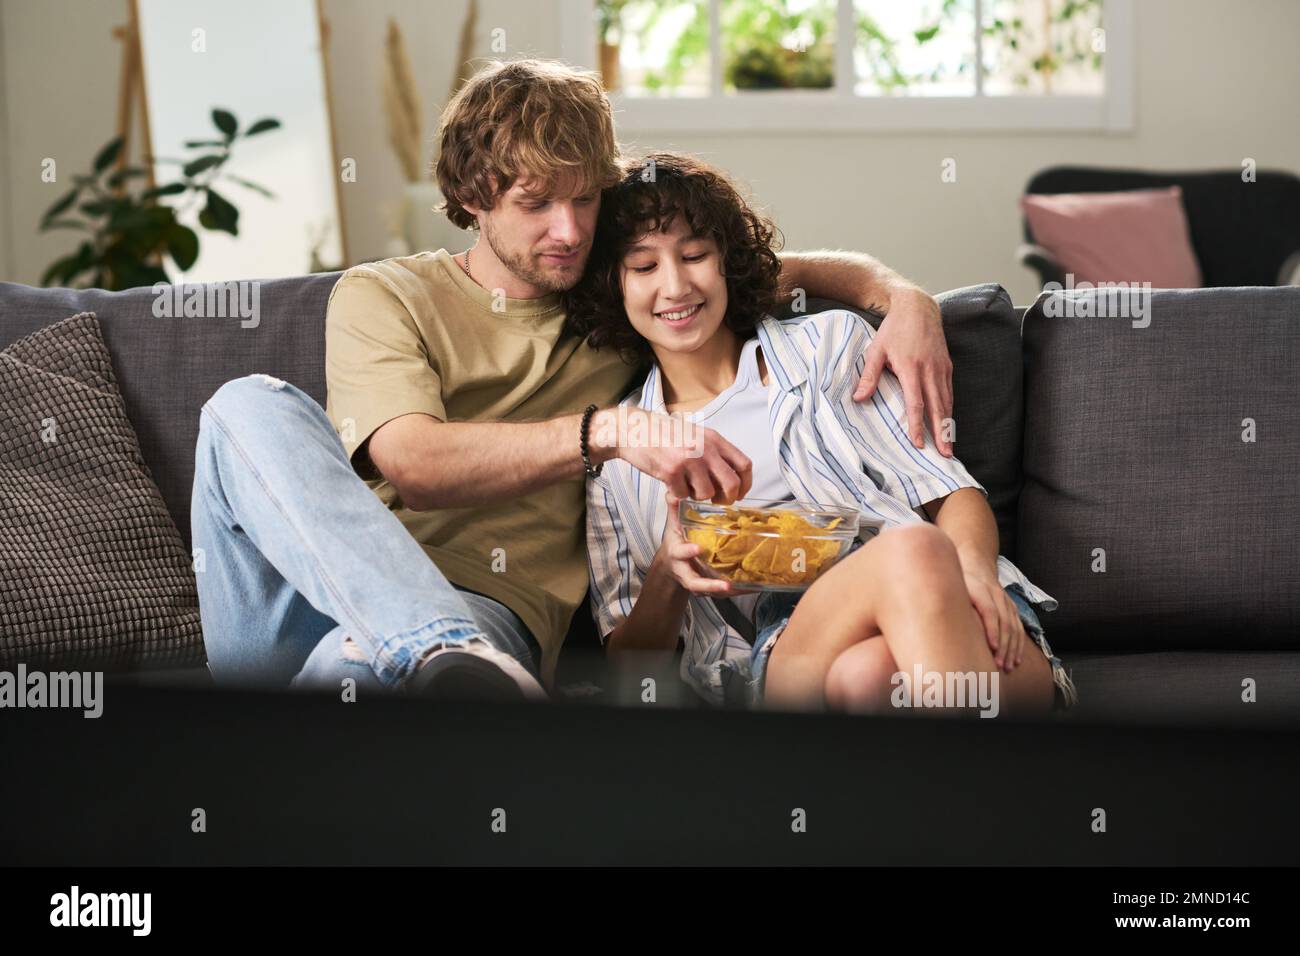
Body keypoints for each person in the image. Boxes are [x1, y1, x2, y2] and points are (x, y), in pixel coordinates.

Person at [193, 59, 959, 702]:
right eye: (535, 203)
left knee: (347, 678)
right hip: (310, 600)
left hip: (484, 612)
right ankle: (430, 648)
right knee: (243, 405)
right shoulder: (384, 295)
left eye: (585, 197)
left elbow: (743, 267)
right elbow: (413, 467)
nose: (569, 231)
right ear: (470, 197)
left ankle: (415, 672)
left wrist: (901, 298)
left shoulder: (617, 297)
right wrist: (607, 432)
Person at [574, 152, 1079, 716]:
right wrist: (671, 568)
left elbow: (948, 489)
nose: (674, 285)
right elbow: (629, 666)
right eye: (643, 268)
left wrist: (976, 573)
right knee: (909, 550)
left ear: (726, 262)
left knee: (868, 674)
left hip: (949, 598)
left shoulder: (827, 347)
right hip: (788, 641)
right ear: (612, 286)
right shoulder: (616, 454)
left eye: (695, 255)